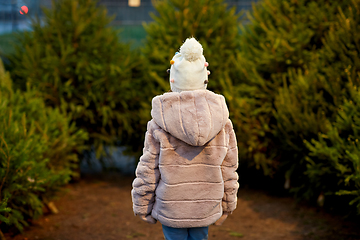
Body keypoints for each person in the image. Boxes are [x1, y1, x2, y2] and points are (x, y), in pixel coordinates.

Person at [131, 37, 239, 240]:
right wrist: (227, 204)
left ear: (172, 79)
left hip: (172, 208)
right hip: (205, 206)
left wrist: (142, 204)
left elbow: (148, 168)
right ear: (205, 78)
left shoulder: (159, 120)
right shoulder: (222, 121)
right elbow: (229, 167)